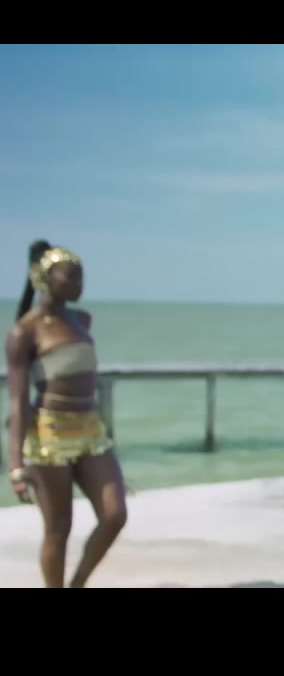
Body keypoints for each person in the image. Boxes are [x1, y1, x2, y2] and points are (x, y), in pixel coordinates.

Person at [5, 241, 128, 588]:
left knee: (114, 514)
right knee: (58, 529)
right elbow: (17, 402)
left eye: (81, 276)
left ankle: (77, 584)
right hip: (49, 436)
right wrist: (15, 467)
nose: (79, 284)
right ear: (45, 279)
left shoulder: (82, 320)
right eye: (71, 276)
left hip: (90, 430)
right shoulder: (24, 332)